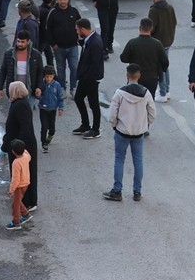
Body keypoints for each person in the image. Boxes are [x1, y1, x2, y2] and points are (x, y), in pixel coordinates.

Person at [104, 63, 156, 203]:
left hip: (122, 131)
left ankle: (117, 190)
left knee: (119, 159)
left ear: (127, 75)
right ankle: (137, 191)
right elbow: (152, 113)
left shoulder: (120, 93)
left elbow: (112, 115)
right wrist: (145, 125)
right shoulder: (146, 93)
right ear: (139, 76)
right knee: (138, 161)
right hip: (138, 132)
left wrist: (115, 125)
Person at [0, 81, 39, 213]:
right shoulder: (18, 103)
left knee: (24, 176)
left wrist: (19, 148)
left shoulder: (20, 105)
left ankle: (27, 202)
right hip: (18, 146)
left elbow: (25, 128)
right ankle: (24, 200)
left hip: (22, 147)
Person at [71, 20, 104, 139]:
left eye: (77, 29)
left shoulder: (95, 42)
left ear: (82, 29)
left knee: (93, 103)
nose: (77, 31)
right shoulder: (90, 39)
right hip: (85, 77)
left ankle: (96, 129)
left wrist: (87, 77)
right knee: (78, 98)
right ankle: (85, 124)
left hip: (90, 78)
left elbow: (95, 63)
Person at [119, 18, 168, 97]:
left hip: (135, 77)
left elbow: (123, 58)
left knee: (134, 101)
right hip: (152, 78)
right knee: (149, 102)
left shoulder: (132, 42)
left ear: (139, 28)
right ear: (151, 28)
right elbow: (165, 62)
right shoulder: (157, 44)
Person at [47, 0, 82, 94]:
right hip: (59, 47)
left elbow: (80, 26)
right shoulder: (53, 13)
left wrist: (79, 39)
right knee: (60, 68)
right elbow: (48, 30)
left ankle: (73, 88)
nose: (62, 1)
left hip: (73, 46)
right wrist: (53, 44)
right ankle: (62, 88)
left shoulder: (74, 11)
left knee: (74, 67)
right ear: (57, 0)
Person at [3, 139, 30, 232]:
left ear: (13, 151)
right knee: (17, 200)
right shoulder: (26, 157)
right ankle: (26, 214)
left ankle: (16, 222)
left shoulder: (16, 163)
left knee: (15, 204)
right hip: (26, 183)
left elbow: (15, 179)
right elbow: (27, 154)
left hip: (19, 186)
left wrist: (11, 189)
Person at [36, 66, 64, 152]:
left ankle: (50, 135)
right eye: (47, 76)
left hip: (52, 109)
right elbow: (38, 96)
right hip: (43, 109)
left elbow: (60, 97)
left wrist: (60, 108)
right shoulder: (41, 85)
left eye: (50, 76)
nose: (48, 79)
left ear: (53, 76)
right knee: (44, 127)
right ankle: (44, 143)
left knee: (52, 127)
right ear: (44, 76)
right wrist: (38, 95)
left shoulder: (57, 85)